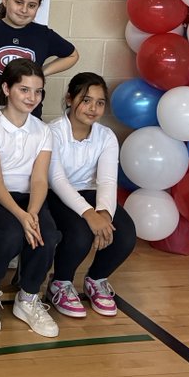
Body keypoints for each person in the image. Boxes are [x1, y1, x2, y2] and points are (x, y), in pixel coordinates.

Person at [0, 59, 61, 338]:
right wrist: (22, 218)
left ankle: (28, 298)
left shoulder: (43, 130)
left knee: (48, 234)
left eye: (38, 91)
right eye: (24, 90)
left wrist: (32, 213)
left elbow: (40, 179)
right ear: (7, 89)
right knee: (10, 234)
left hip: (27, 198)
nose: (32, 97)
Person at [46, 73, 136, 319]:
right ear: (69, 99)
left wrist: (104, 213)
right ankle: (61, 283)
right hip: (55, 195)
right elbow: (57, 180)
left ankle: (96, 279)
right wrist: (89, 214)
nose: (93, 108)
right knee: (80, 233)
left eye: (100, 102)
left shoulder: (106, 136)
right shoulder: (51, 132)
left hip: (90, 193)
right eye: (86, 100)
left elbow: (107, 180)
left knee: (125, 234)